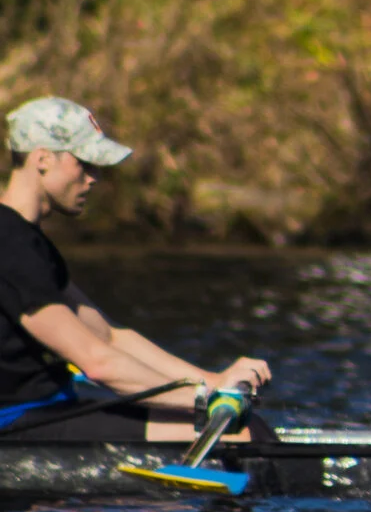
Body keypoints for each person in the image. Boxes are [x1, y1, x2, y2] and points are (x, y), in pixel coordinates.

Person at [0, 96, 272, 442]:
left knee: (244, 428)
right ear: (42, 159)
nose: (94, 178)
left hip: (48, 409)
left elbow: (109, 336)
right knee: (245, 435)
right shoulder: (8, 244)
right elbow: (97, 362)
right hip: (16, 422)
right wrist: (204, 400)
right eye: (85, 164)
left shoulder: (27, 242)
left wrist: (211, 381)